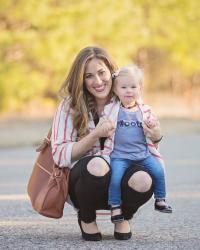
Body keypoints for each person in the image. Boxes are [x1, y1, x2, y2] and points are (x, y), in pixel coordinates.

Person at [51, 46, 162, 241]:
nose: (98, 81)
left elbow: (146, 145)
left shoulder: (127, 98)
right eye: (89, 76)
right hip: (85, 182)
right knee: (98, 164)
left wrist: (156, 135)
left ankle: (123, 216)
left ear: (112, 71)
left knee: (145, 178)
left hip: (121, 174)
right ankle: (86, 217)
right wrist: (95, 135)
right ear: (81, 79)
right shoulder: (70, 105)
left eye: (102, 72)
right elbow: (59, 154)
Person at [101, 65, 172, 224]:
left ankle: (160, 199)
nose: (129, 90)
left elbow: (155, 126)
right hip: (119, 156)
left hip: (143, 154)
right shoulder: (111, 109)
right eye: (124, 87)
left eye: (133, 87)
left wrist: (153, 125)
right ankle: (115, 205)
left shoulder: (145, 110)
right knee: (115, 178)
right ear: (115, 90)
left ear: (140, 89)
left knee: (159, 170)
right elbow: (104, 123)